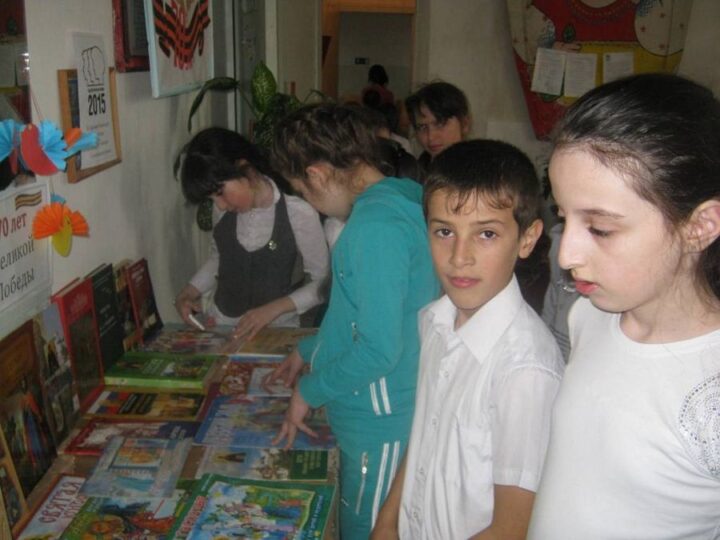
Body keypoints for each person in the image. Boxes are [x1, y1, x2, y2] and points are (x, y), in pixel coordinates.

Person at [527, 73, 720, 539]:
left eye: (601, 229)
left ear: (700, 226)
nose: (566, 255)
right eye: (563, 216)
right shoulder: (588, 315)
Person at [371, 139, 564, 539]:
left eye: (486, 234)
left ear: (527, 239)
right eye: (444, 231)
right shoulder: (435, 321)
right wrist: (387, 522)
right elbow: (426, 434)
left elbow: (511, 529)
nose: (459, 257)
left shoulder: (525, 370)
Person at [265, 103, 440, 540]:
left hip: (379, 420)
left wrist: (309, 390)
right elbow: (363, 315)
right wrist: (309, 349)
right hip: (382, 407)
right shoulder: (399, 196)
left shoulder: (373, 229)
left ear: (317, 173)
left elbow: (378, 350)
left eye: (303, 190)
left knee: (368, 528)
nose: (312, 203)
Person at [173, 127, 330, 339]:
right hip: (223, 328)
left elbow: (322, 282)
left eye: (220, 193)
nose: (220, 205)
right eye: (212, 199)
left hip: (277, 330)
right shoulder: (222, 211)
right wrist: (188, 293)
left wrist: (273, 309)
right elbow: (220, 259)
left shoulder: (298, 213)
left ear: (244, 168)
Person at [404, 81, 471, 173]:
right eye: (422, 127)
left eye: (440, 124)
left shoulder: (481, 174)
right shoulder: (416, 172)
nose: (431, 137)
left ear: (464, 124)